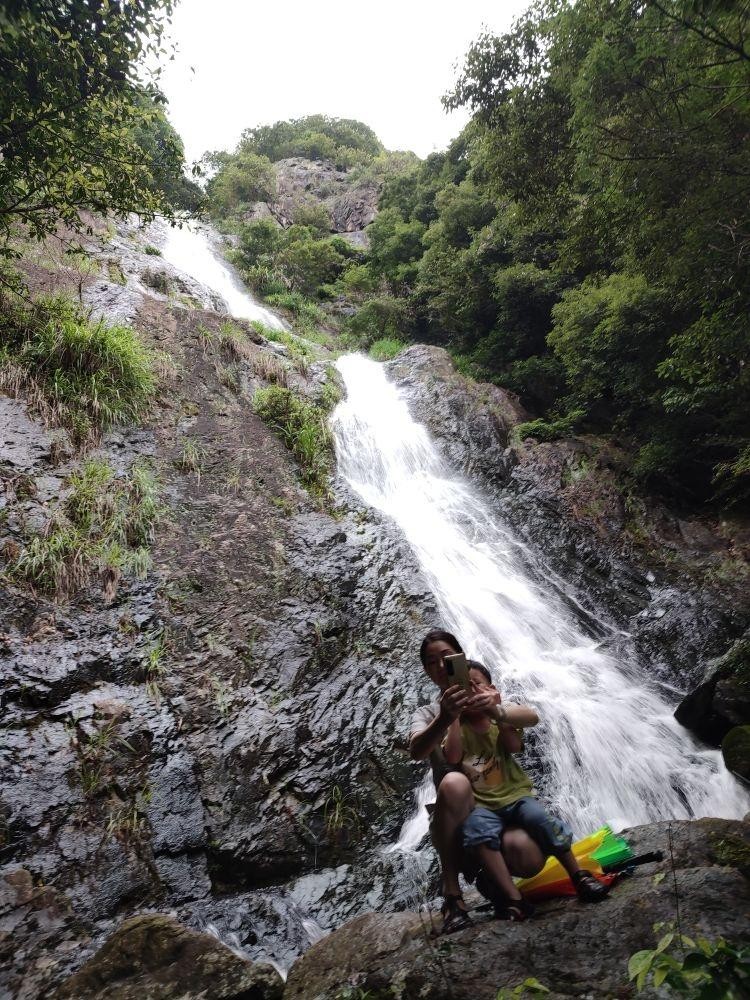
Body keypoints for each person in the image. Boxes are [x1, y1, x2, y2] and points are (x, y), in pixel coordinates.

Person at [443, 659, 610, 920]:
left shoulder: (501, 719)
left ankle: (578, 875)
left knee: (540, 819)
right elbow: (452, 756)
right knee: (478, 832)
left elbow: (513, 744)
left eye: (478, 685)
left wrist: (496, 711)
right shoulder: (459, 728)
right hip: (483, 805)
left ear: (492, 689)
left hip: (516, 796)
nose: (472, 691)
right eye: (465, 687)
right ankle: (514, 898)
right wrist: (452, 715)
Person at [409, 629, 549, 934]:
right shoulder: (428, 713)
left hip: (497, 816)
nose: (439, 666)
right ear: (426, 670)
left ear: (459, 656)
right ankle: (452, 896)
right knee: (454, 782)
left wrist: (495, 709)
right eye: (431, 662)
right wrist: (446, 718)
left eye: (446, 657)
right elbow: (417, 749)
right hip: (456, 826)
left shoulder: (482, 695)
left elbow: (530, 717)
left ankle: (493, 882)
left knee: (529, 855)